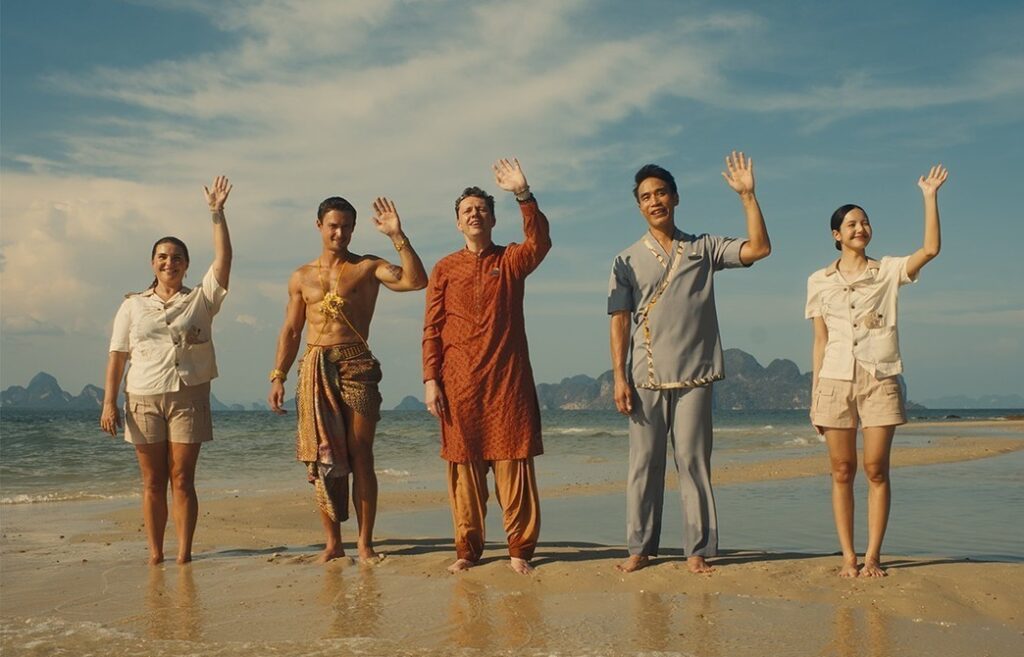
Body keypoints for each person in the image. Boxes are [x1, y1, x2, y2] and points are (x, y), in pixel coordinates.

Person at [608, 153, 772, 574]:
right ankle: (640, 548)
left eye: (661, 192)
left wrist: (748, 196)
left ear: (675, 198)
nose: (655, 201)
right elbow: (619, 321)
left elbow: (760, 248)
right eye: (646, 196)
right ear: (639, 206)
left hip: (697, 373)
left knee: (693, 463)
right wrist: (619, 377)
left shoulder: (704, 247)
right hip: (645, 374)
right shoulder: (625, 259)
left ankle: (697, 549)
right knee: (643, 465)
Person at [268, 195, 427, 563]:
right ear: (319, 226)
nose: (340, 232)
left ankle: (365, 543)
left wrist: (397, 236)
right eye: (333, 225)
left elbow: (416, 281)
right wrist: (278, 375)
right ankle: (332, 543)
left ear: (354, 229)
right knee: (323, 458)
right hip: (314, 368)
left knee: (361, 457)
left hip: (357, 364)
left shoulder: (368, 267)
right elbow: (291, 330)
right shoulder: (301, 277)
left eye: (346, 226)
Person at [806, 165, 948, 578]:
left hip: (879, 377)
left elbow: (931, 250)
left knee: (875, 469)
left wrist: (929, 196)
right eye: (851, 223)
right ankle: (848, 557)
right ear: (836, 234)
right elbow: (819, 340)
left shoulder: (886, 271)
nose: (860, 227)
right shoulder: (818, 280)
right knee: (842, 471)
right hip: (833, 379)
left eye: (865, 222)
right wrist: (816, 395)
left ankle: (873, 557)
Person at [422, 158, 551, 575]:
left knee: (514, 466)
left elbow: (540, 243)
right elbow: (432, 329)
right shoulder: (444, 268)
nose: (474, 214)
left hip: (507, 384)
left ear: (493, 218)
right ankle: (468, 549)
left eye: (481, 209)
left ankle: (519, 551)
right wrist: (430, 380)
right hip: (458, 384)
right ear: (458, 223)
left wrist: (523, 195)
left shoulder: (511, 260)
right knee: (464, 471)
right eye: (466, 211)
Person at [100, 175, 234, 565]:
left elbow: (224, 261)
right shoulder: (133, 305)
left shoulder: (202, 300)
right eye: (162, 257)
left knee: (182, 479)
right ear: (152, 263)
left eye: (176, 257)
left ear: (187, 264)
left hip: (189, 395)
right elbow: (117, 356)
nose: (169, 262)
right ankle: (155, 554)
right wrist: (109, 403)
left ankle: (184, 555)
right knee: (153, 481)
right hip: (141, 397)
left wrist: (217, 214)